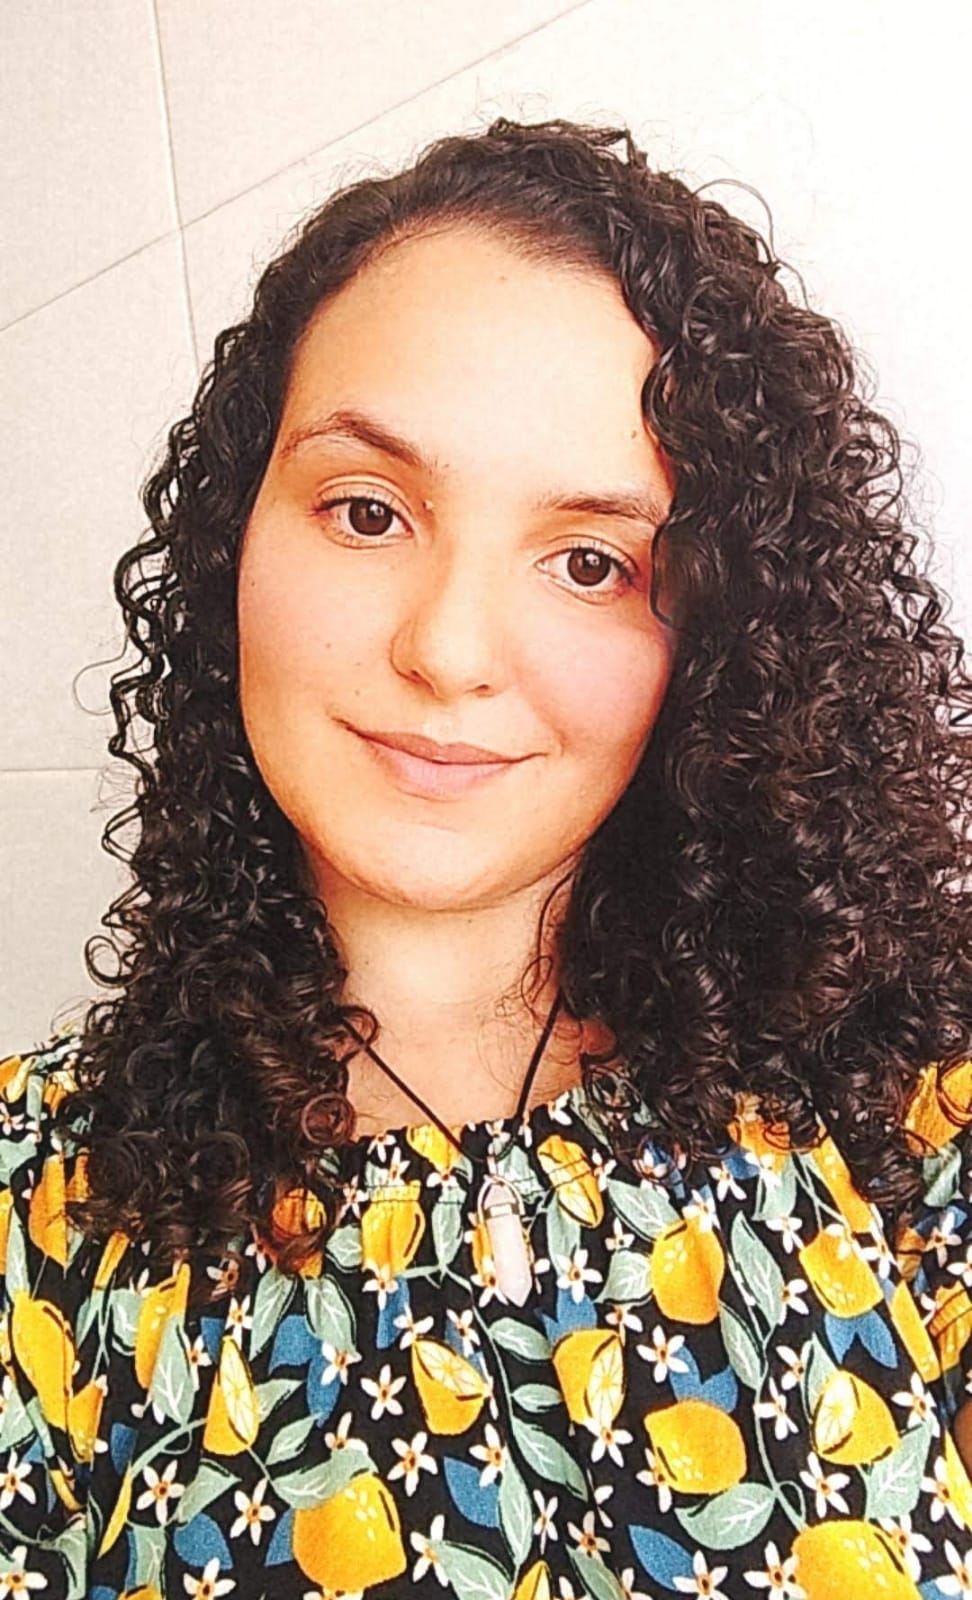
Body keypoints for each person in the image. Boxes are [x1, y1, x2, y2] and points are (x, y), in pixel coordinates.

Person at [2, 115, 972, 1600]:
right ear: (232, 539)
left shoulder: (919, 1112)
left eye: (591, 562)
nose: (448, 650)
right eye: (368, 511)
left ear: (725, 634)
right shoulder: (29, 1208)